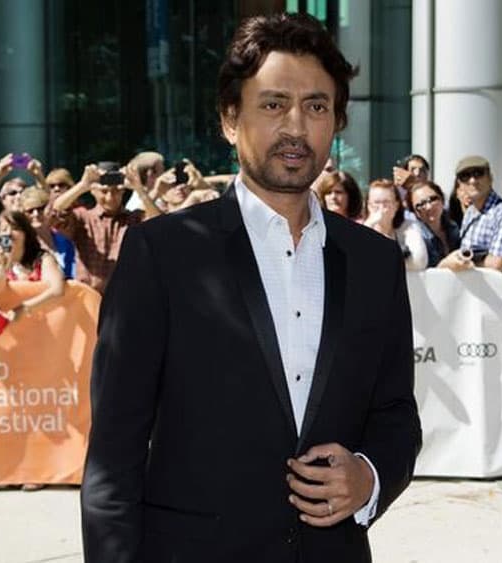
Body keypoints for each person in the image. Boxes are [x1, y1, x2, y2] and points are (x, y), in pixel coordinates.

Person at [81, 13, 421, 563]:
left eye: (316, 106)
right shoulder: (163, 253)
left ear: (336, 122)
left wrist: (369, 476)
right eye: (272, 104)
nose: (295, 126)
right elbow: (114, 455)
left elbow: (396, 415)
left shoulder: (375, 262)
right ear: (229, 118)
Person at [50, 163, 150, 292]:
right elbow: (57, 210)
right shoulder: (83, 217)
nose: (110, 198)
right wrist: (82, 185)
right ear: (93, 191)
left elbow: (161, 223)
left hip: (126, 296)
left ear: (123, 191)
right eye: (104, 191)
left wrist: (140, 189)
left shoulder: (135, 219)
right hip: (89, 297)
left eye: (116, 191)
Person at [438, 155, 502, 283]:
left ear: (490, 178)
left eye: (478, 173)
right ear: (460, 184)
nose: (472, 180)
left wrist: (454, 264)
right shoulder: (470, 213)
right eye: (465, 176)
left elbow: (496, 265)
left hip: (499, 298)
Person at [0, 210, 66, 325]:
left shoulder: (43, 259)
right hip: (7, 329)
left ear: (25, 233)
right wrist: (3, 266)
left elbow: (57, 290)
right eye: (3, 230)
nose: (9, 233)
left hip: (41, 327)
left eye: (14, 228)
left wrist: (24, 308)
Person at [363, 179, 427, 271]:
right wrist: (369, 225)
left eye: (386, 203)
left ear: (396, 205)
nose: (381, 208)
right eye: (376, 203)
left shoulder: (409, 227)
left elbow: (419, 261)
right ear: (368, 206)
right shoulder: (361, 228)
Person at [19, 186, 76, 279]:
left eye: (40, 208)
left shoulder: (65, 240)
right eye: (30, 211)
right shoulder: (20, 243)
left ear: (49, 208)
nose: (36, 214)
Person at [406, 180, 460, 267]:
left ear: (442, 199)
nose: (429, 207)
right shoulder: (416, 238)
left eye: (432, 199)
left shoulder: (453, 228)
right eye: (420, 204)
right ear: (415, 213)